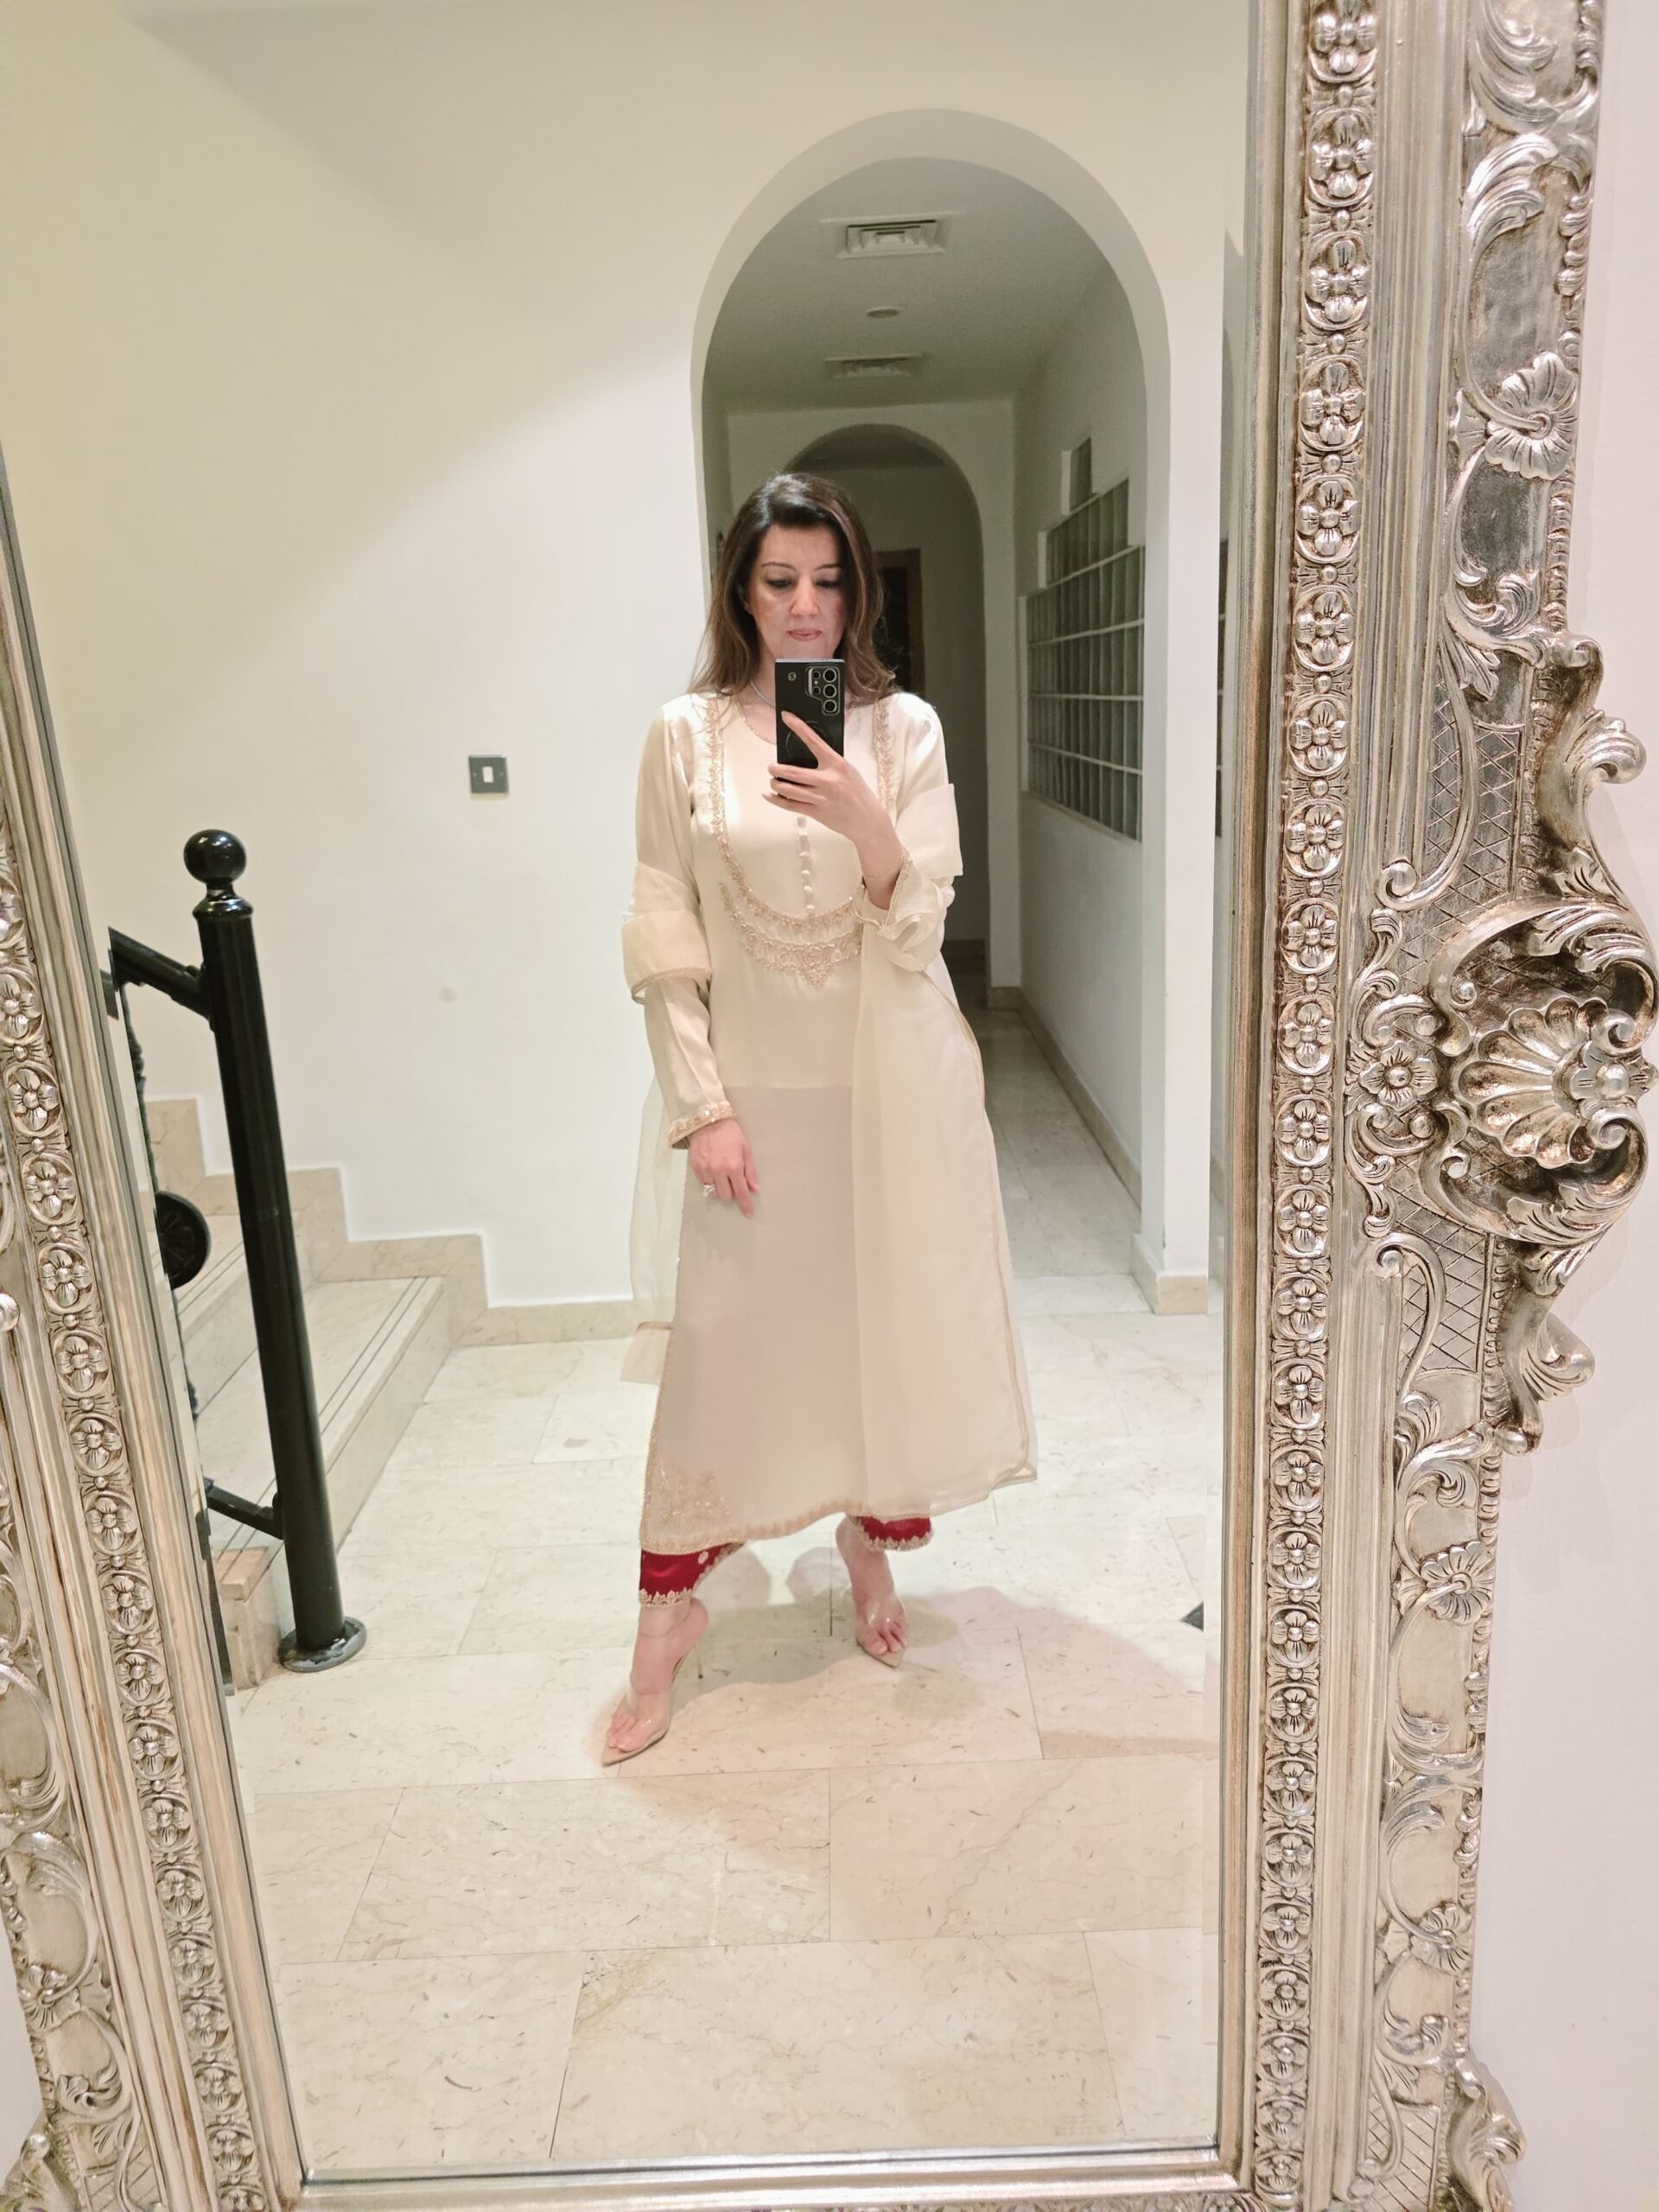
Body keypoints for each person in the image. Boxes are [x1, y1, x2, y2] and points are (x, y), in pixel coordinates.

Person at [606, 471, 1035, 1764]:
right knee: (722, 1350)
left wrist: (863, 818)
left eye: (829, 581)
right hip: (753, 1096)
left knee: (871, 1331)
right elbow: (664, 932)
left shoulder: (904, 732)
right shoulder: (682, 737)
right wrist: (703, 1109)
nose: (806, 606)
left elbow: (919, 929)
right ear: (741, 590)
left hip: (884, 1087)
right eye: (780, 580)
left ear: (857, 594)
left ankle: (866, 1542)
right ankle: (664, 1624)